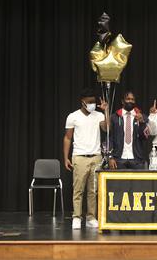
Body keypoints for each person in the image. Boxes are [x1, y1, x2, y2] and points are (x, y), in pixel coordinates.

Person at [63, 87, 109, 230]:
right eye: (89, 102)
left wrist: (106, 110)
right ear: (82, 102)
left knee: (93, 190)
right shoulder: (73, 116)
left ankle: (91, 217)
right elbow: (67, 137)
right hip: (79, 157)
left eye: (94, 102)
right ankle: (77, 217)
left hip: (96, 157)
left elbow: (107, 129)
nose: (92, 105)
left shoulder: (99, 115)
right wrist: (66, 157)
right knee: (78, 189)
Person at [108, 91, 148, 169]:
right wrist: (110, 157)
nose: (130, 101)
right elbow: (110, 138)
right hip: (118, 160)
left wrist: (142, 122)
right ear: (122, 101)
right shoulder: (114, 117)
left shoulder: (142, 117)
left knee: (138, 181)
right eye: (128, 99)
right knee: (118, 181)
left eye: (132, 99)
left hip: (136, 160)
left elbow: (144, 138)